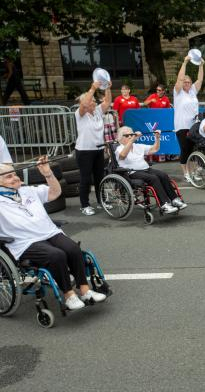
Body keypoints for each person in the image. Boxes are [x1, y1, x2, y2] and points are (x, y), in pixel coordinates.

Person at [0, 157, 106, 310]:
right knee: (56, 255)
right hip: (25, 242)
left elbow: (54, 193)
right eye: (9, 176)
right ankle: (69, 296)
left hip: (49, 232)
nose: (15, 177)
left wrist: (48, 174)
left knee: (73, 249)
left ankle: (85, 290)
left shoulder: (27, 190)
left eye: (15, 174)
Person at [115, 126, 187, 213]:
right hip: (131, 172)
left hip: (145, 169)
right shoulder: (119, 148)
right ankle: (164, 204)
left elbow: (154, 149)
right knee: (153, 178)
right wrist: (132, 140)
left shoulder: (138, 146)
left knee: (163, 175)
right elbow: (122, 156)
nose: (130, 137)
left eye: (131, 134)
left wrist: (157, 138)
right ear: (120, 138)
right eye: (127, 136)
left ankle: (174, 199)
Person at [75, 81, 112, 216]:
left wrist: (107, 88)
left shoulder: (97, 111)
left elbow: (107, 102)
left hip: (98, 149)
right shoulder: (80, 114)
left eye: (94, 101)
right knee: (85, 179)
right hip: (84, 151)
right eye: (92, 101)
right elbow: (84, 104)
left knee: (99, 178)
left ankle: (101, 201)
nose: (94, 102)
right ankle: (85, 205)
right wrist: (92, 88)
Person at [174, 55, 204, 182]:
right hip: (182, 126)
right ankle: (186, 173)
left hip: (194, 125)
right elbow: (180, 78)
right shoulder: (178, 92)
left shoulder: (192, 91)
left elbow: (200, 80)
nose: (186, 83)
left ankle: (193, 172)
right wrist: (185, 62)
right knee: (185, 150)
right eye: (185, 82)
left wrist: (201, 65)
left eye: (188, 82)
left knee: (194, 150)